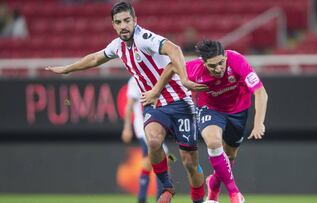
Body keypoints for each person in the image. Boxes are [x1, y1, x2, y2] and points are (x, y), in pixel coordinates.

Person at [46, 2, 208, 203]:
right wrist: (68, 68)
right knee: (154, 141)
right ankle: (167, 187)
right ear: (113, 25)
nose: (123, 26)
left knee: (190, 163)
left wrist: (183, 78)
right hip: (155, 104)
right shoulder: (117, 46)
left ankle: (199, 200)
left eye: (126, 21)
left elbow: (174, 49)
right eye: (118, 22)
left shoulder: (144, 38)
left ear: (135, 21)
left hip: (179, 102)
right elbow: (95, 58)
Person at [141, 40, 268, 203]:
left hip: (238, 112)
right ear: (204, 63)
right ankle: (235, 193)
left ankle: (213, 190)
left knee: (228, 157)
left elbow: (260, 92)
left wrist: (259, 123)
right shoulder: (196, 68)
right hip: (211, 109)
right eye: (212, 66)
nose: (219, 69)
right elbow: (172, 66)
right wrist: (156, 91)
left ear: (225, 57)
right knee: (213, 142)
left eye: (221, 63)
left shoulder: (237, 60)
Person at [122, 77, 167, 203]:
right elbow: (129, 106)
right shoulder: (134, 80)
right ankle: (156, 196)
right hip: (142, 126)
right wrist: (127, 127)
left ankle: (144, 197)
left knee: (151, 161)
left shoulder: (155, 75)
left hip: (155, 125)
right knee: (157, 157)